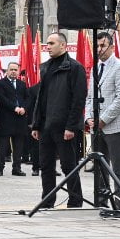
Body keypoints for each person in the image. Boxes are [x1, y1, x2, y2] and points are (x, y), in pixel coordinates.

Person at [31, 32, 86, 209]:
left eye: (52, 43)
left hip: (65, 127)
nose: (48, 46)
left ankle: (75, 200)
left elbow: (78, 100)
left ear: (63, 45)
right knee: (45, 165)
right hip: (46, 126)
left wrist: (71, 126)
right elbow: (41, 98)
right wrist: (36, 124)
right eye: (47, 43)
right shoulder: (45, 67)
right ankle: (47, 201)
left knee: (68, 165)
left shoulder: (74, 67)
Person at [85, 32, 120, 207]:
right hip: (96, 127)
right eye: (97, 46)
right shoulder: (95, 68)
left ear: (112, 47)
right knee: (100, 168)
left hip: (115, 127)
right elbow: (89, 97)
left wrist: (104, 119)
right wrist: (89, 118)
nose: (99, 49)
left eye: (103, 46)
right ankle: (102, 202)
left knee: (118, 169)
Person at [0, 62, 29, 177]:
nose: (13, 71)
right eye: (11, 69)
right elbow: (1, 98)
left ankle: (17, 168)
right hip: (6, 118)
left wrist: (24, 108)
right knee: (2, 146)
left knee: (19, 146)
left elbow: (27, 98)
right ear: (7, 71)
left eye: (15, 70)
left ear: (18, 71)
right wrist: (14, 108)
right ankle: (0, 168)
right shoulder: (0, 83)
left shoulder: (22, 84)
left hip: (20, 119)